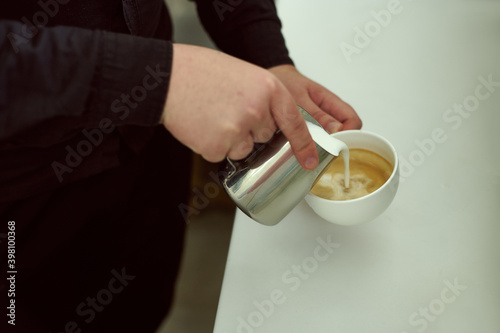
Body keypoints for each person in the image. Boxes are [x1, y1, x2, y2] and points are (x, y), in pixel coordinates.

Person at [0, 0, 361, 332]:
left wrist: (265, 53)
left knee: (138, 313)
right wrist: (158, 80)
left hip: (152, 143)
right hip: (22, 202)